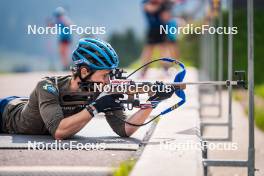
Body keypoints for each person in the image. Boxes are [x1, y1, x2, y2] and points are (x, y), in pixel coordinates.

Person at [0, 38, 174, 140]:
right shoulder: (47, 86)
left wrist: (153, 102)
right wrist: (96, 107)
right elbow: (59, 131)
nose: (109, 80)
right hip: (5, 114)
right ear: (84, 71)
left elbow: (125, 129)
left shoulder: (100, 89)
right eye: (105, 75)